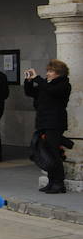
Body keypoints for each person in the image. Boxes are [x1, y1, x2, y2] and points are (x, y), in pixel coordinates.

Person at [24, 60, 72, 194]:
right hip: (43, 122)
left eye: (51, 71)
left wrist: (38, 79)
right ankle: (51, 181)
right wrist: (28, 81)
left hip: (54, 123)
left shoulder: (64, 85)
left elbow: (51, 91)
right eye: (48, 71)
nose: (48, 74)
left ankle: (59, 183)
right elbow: (31, 92)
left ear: (59, 73)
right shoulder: (46, 84)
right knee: (47, 154)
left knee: (54, 153)